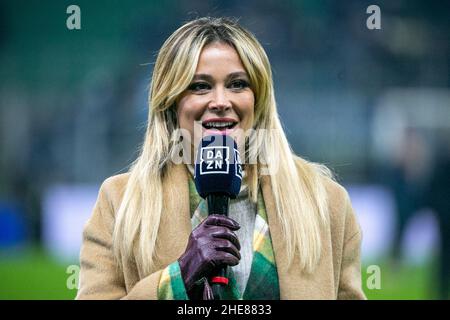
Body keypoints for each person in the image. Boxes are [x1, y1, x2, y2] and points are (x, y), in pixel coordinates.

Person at [76, 17, 366, 300]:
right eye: (200, 86)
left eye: (238, 84)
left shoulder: (326, 202)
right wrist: (178, 278)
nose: (221, 102)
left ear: (259, 98)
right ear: (170, 103)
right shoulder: (119, 203)